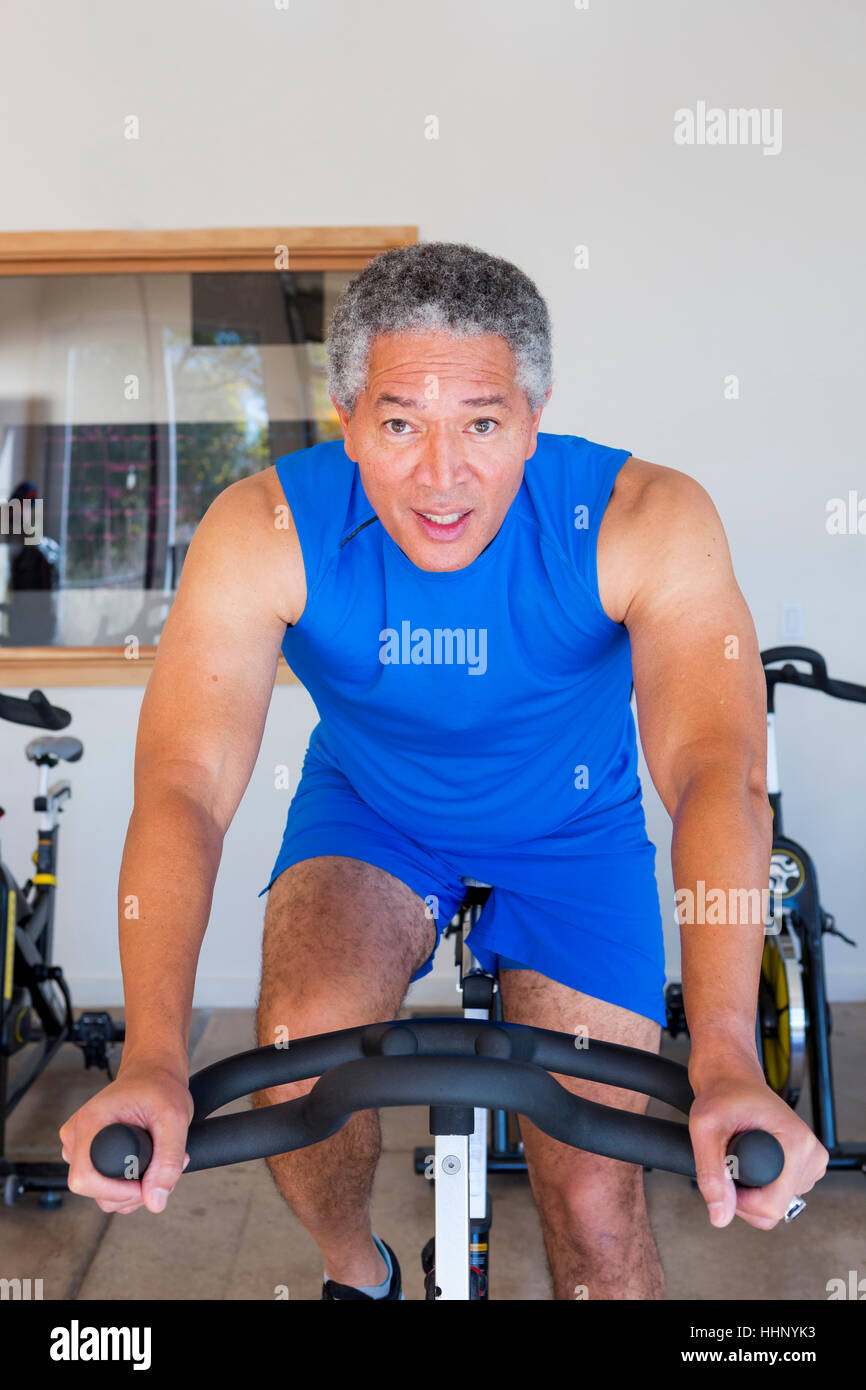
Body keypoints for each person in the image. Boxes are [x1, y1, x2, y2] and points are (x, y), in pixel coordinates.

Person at [60, 241, 827, 1301]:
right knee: (297, 1069)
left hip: (572, 835)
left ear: (533, 413)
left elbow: (713, 770)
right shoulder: (264, 528)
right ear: (347, 422)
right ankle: (356, 1268)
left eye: (480, 422)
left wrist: (730, 1056)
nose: (440, 474)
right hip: (371, 815)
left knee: (599, 1196)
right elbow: (184, 786)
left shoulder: (643, 520)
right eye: (398, 424)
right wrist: (151, 1053)